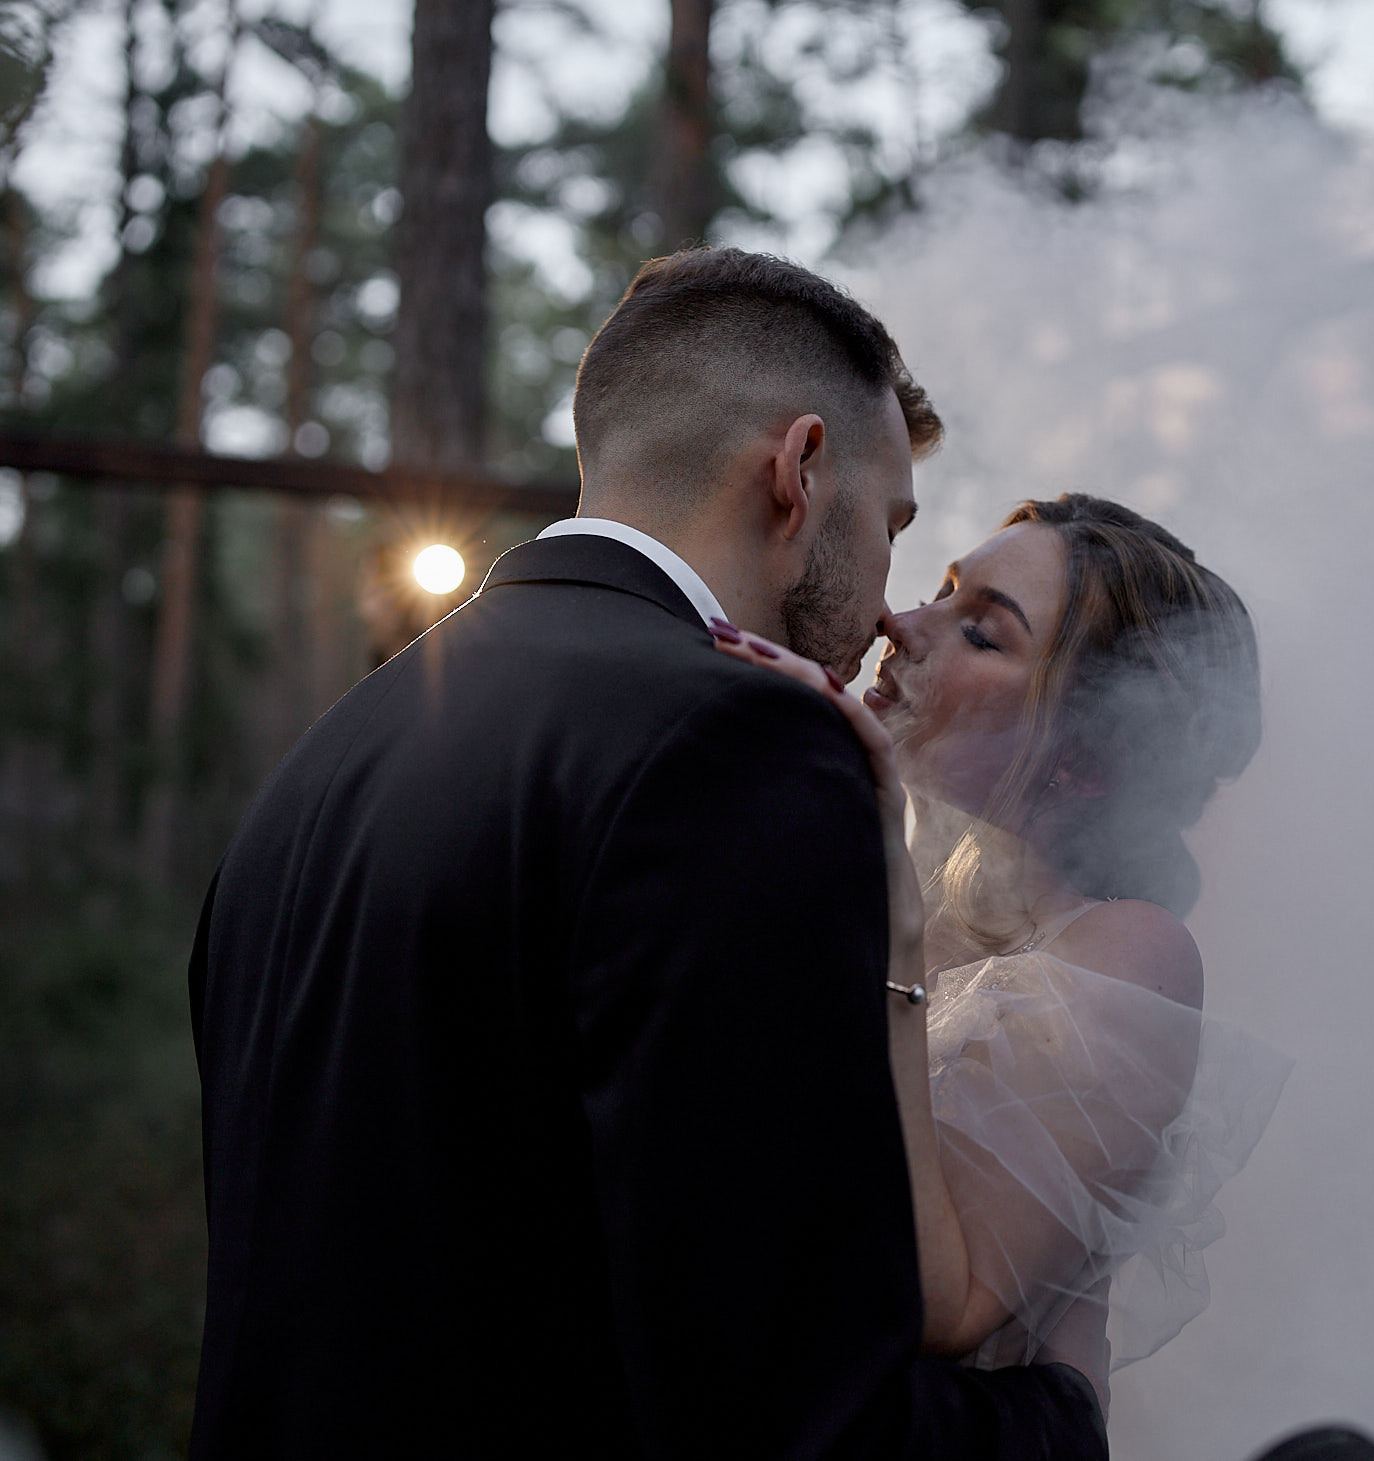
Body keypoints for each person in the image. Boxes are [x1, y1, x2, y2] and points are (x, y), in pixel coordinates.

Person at [186, 248, 1107, 1458]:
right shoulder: (738, 743)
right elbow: (791, 1406)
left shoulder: (329, 758)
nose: (890, 606)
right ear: (796, 471)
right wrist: (1058, 1415)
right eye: (891, 526)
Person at [709, 493, 1292, 1426]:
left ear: (1085, 754)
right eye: (940, 590)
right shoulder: (853, 874)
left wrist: (889, 913)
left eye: (981, 633)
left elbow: (951, 1302)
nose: (898, 624)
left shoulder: (1123, 950)